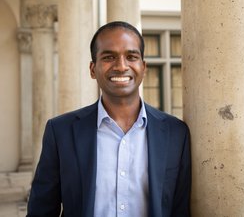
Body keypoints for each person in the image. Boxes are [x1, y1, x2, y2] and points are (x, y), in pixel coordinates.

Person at [27, 21, 191, 217]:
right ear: (92, 69)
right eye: (109, 57)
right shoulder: (60, 131)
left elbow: (180, 210)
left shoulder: (176, 133)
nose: (121, 66)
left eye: (131, 57)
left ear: (144, 67)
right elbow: (41, 210)